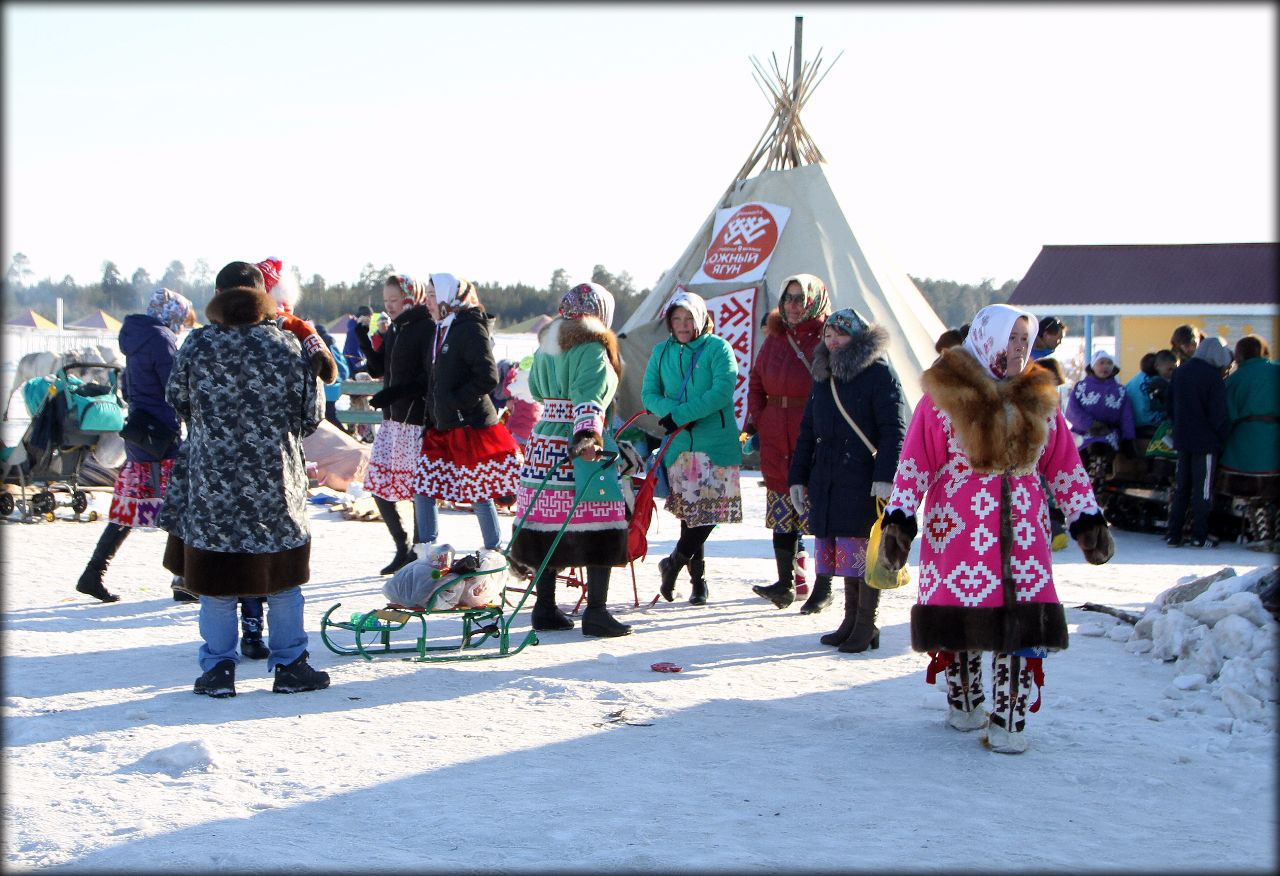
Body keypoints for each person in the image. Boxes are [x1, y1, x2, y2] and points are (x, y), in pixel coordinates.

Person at [877, 303, 1113, 754]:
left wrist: (1086, 519)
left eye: (1026, 340)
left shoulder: (1040, 397)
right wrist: (900, 523)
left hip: (1025, 527)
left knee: (1025, 620)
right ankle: (965, 702)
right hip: (960, 526)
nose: (1021, 349)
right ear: (989, 339)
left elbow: (1065, 465)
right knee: (962, 617)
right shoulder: (944, 396)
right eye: (1012, 339)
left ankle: (1010, 721)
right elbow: (915, 464)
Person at [158, 261, 329, 698]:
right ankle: (290, 665)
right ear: (265, 298)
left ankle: (217, 670)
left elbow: (176, 397)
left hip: (210, 481)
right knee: (283, 579)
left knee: (216, 580)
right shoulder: (288, 346)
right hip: (275, 483)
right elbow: (312, 416)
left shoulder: (197, 344)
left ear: (217, 296)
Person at [508, 282, 632, 637]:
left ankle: (544, 607)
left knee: (546, 521)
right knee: (600, 519)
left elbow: (534, 390)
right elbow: (589, 398)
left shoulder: (550, 344)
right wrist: (587, 436)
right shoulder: (592, 346)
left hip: (543, 439)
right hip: (577, 444)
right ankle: (596, 612)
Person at [789, 308, 907, 652]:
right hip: (827, 473)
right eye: (828, 335)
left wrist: (885, 476)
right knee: (845, 551)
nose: (832, 340)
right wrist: (798, 477)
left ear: (857, 337)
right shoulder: (823, 374)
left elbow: (893, 430)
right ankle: (850, 618)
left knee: (864, 550)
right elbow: (808, 428)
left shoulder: (880, 374)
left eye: (840, 334)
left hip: (862, 475)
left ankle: (866, 623)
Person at [74, 288, 196, 604]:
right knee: (181, 502)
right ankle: (183, 579)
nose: (182, 323)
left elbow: (127, 387)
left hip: (140, 431)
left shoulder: (135, 337)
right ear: (173, 313)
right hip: (163, 433)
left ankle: (93, 573)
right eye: (181, 317)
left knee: (130, 503)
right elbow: (175, 385)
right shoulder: (162, 339)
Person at [641, 290, 743, 606]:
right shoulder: (662, 352)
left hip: (716, 441)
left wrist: (680, 414)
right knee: (692, 514)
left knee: (711, 511)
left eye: (688, 318)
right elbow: (648, 394)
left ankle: (673, 562)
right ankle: (698, 580)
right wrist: (670, 412)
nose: (683, 325)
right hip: (681, 444)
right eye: (677, 319)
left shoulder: (718, 348)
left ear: (700, 319)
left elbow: (722, 390)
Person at [414, 273, 522, 552]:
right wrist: (430, 417)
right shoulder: (440, 328)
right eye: (427, 295)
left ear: (450, 298)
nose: (427, 301)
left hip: (469, 423)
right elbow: (434, 381)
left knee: (477, 490)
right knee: (424, 485)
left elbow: (487, 377)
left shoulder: (470, 328)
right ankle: (427, 551)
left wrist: (454, 401)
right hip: (441, 426)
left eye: (433, 296)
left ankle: (494, 550)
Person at [746, 274, 831, 613]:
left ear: (814, 300)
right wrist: (760, 417)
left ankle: (823, 588)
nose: (793, 305)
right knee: (782, 509)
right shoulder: (775, 337)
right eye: (789, 298)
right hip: (776, 432)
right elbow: (756, 380)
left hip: (811, 432)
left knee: (820, 515)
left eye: (800, 298)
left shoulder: (828, 338)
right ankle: (785, 584)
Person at [355, 275, 436, 574]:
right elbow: (378, 367)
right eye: (385, 301)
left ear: (410, 298)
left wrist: (394, 392)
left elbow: (426, 379)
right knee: (377, 484)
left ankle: (418, 550)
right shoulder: (397, 328)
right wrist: (362, 335)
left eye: (394, 301)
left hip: (415, 421)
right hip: (391, 420)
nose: (388, 306)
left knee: (417, 491)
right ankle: (401, 546)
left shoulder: (425, 327)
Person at [1165, 336, 1233, 547]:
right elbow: (1218, 414)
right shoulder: (1213, 377)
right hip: (1206, 442)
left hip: (1182, 439)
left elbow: (1169, 406)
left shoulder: (1181, 372)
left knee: (1182, 488)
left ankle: (1174, 534)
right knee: (1202, 490)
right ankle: (1199, 535)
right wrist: (1223, 436)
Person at [1218, 335, 1278, 550]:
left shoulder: (1237, 377)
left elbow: (1226, 412)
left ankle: (1263, 537)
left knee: (1255, 493)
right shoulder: (1276, 369)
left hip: (1247, 438)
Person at [1066, 349, 1136, 487]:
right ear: (1093, 366)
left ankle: (1101, 482)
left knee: (1102, 449)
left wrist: (1128, 439)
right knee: (1081, 457)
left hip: (1108, 433)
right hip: (1083, 432)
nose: (1105, 366)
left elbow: (1126, 417)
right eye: (1101, 363)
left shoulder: (1120, 391)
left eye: (1109, 363)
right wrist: (1090, 424)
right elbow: (1071, 411)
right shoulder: (1081, 387)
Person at [314, 322, 350, 429]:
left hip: (328, 386)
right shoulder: (331, 342)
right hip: (333, 385)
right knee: (329, 415)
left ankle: (344, 434)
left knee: (329, 416)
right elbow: (343, 367)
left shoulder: (324, 344)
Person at [343, 305, 372, 374]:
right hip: (353, 367)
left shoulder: (360, 329)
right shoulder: (355, 330)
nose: (370, 320)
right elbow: (351, 349)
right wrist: (360, 365)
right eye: (369, 317)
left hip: (358, 363)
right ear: (363, 317)